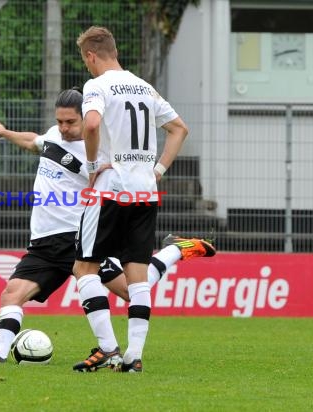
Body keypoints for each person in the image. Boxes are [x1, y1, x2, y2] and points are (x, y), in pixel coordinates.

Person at [0, 89, 215, 364]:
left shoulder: (100, 152)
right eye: (60, 121)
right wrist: (5, 133)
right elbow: (34, 142)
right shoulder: (55, 134)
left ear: (87, 119)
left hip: (76, 237)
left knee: (130, 290)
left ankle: (173, 251)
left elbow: (121, 179)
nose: (64, 128)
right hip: (42, 242)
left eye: (71, 122)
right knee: (12, 293)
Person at [71, 26, 212, 373]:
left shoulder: (97, 86)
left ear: (90, 56)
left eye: (85, 60)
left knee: (84, 268)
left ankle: (107, 348)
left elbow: (90, 125)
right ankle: (134, 356)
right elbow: (179, 128)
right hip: (145, 191)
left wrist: (91, 166)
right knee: (137, 275)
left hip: (109, 189)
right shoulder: (144, 87)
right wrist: (159, 169)